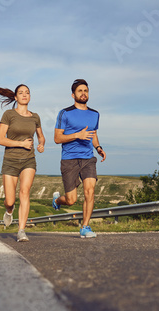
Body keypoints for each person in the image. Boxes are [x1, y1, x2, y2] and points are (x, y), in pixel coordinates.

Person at [53, 79, 106, 238]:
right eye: (80, 91)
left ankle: (85, 227)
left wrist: (98, 148)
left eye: (86, 91)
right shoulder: (65, 113)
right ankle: (57, 201)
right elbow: (57, 138)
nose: (84, 93)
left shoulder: (95, 114)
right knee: (71, 200)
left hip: (88, 158)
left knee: (90, 191)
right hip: (69, 159)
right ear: (73, 95)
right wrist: (77, 135)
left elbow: (94, 134)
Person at [0, 84, 45, 242]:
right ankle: (9, 211)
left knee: (24, 192)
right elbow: (0, 139)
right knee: (10, 200)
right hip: (10, 160)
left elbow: (41, 136)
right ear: (15, 97)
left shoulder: (35, 117)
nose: (24, 95)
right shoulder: (9, 114)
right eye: (21, 93)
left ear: (30, 96)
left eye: (27, 93)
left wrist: (41, 143)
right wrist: (21, 144)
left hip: (29, 159)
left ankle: (21, 230)